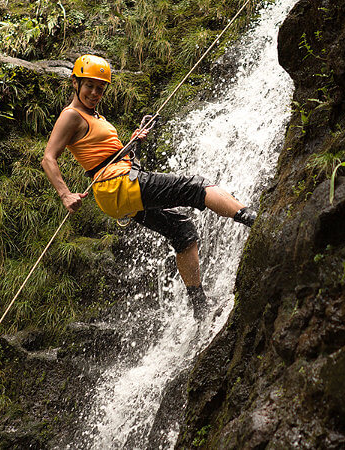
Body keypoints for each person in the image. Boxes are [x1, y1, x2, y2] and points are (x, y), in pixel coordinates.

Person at [41, 54, 257, 320]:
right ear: (75, 82)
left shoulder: (94, 115)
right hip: (119, 184)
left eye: (100, 88)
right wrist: (65, 194)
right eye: (89, 86)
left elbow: (101, 155)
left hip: (115, 193)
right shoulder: (71, 116)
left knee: (183, 230)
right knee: (195, 186)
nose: (95, 92)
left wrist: (131, 143)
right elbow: (48, 157)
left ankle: (199, 306)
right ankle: (254, 219)